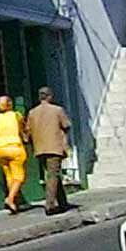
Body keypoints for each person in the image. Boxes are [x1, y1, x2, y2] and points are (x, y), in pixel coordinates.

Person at [26, 87, 75, 215]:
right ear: (49, 97)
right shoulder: (57, 110)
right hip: (54, 147)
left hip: (40, 148)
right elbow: (66, 125)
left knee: (53, 174)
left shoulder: (32, 113)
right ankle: (50, 205)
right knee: (52, 176)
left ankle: (62, 202)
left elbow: (28, 131)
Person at [0, 94, 29, 214]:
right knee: (19, 177)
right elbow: (23, 130)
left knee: (8, 175)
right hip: (14, 148)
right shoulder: (16, 115)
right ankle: (10, 199)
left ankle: (14, 202)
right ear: (10, 104)